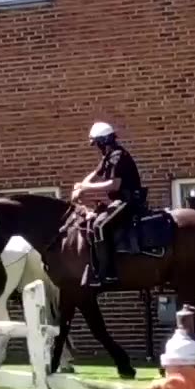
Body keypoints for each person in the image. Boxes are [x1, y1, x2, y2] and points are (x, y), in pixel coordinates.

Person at [71, 122, 144, 288]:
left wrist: (85, 188)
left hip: (128, 200)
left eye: (97, 143)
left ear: (103, 141)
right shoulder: (108, 157)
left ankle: (108, 273)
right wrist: (80, 186)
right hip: (118, 201)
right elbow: (94, 174)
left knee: (99, 225)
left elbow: (114, 185)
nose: (97, 147)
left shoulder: (118, 156)